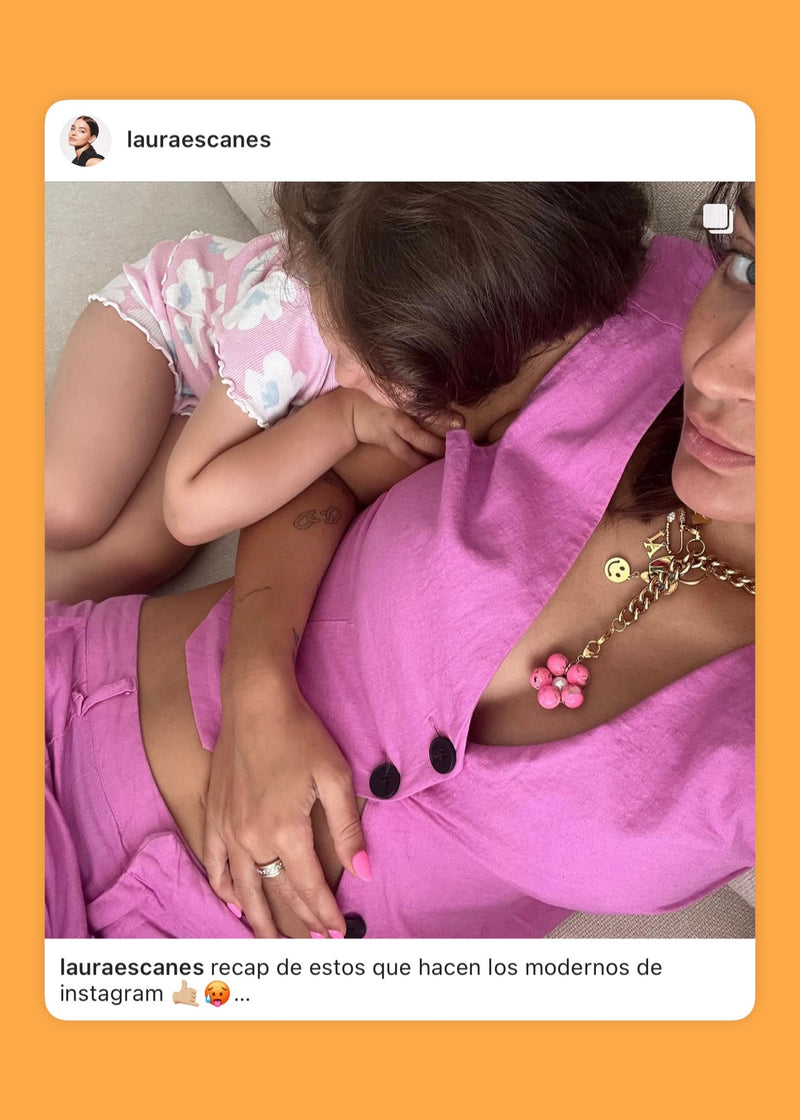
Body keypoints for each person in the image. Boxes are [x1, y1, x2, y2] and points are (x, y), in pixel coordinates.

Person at [45, 183, 755, 939]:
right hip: (67, 729)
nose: (716, 370)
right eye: (749, 267)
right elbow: (334, 471)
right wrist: (257, 684)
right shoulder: (628, 320)